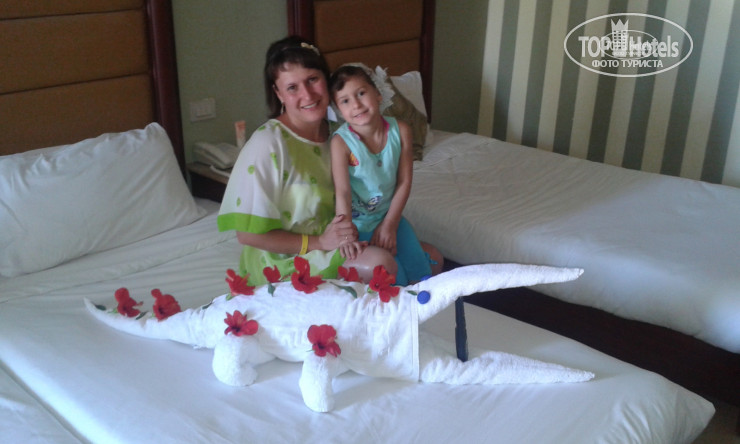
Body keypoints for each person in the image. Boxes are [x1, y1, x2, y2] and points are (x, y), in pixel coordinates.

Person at [217, 36, 396, 285]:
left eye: (313, 79)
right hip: (287, 259)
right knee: (379, 265)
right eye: (292, 87)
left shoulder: (341, 134)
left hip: (345, 240)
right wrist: (319, 242)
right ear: (278, 93)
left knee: (431, 257)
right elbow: (247, 235)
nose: (308, 94)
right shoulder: (268, 143)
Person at [329, 64, 442, 285]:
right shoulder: (341, 143)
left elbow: (404, 181)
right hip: (359, 224)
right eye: (345, 101)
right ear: (339, 110)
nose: (356, 104)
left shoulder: (401, 130)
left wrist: (390, 223)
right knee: (395, 277)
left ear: (378, 94)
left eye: (361, 93)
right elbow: (342, 192)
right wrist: (346, 236)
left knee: (421, 270)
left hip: (390, 217)